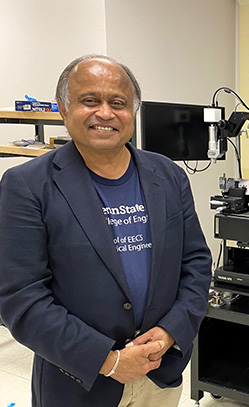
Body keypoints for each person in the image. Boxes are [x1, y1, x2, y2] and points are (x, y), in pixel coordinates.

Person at [0, 55, 213, 407]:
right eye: (89, 101)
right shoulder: (27, 185)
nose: (105, 113)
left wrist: (171, 331)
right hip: (80, 381)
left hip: (159, 372)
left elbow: (196, 264)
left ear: (133, 113)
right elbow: (20, 298)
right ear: (64, 110)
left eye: (118, 103)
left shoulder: (169, 176)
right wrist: (108, 361)